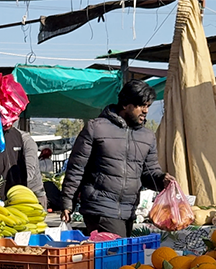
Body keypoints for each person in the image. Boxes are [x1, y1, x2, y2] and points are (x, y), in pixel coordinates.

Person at [60, 80, 173, 238]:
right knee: (116, 256)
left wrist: (162, 180)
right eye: (141, 106)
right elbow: (76, 168)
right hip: (100, 207)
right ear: (126, 104)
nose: (146, 111)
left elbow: (149, 173)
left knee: (122, 259)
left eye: (148, 106)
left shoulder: (147, 137)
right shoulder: (96, 128)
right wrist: (67, 202)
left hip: (129, 211)